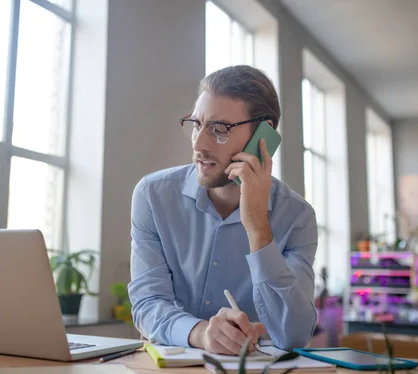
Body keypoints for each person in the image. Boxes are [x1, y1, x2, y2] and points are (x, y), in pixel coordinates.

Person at [128, 65, 318, 354]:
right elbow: (147, 305)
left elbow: (294, 334)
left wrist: (258, 228)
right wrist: (201, 333)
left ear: (262, 138)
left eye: (219, 129)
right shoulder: (153, 195)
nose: (200, 144)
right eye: (196, 125)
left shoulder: (297, 217)